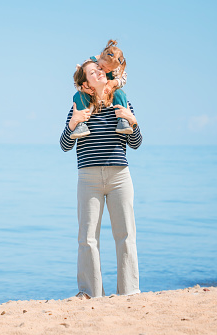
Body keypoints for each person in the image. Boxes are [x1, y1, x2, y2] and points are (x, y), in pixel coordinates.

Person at [60, 60, 142, 299]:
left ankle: (129, 292)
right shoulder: (79, 106)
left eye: (100, 70)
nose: (99, 72)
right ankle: (89, 292)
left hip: (119, 176)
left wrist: (133, 122)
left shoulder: (122, 102)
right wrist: (73, 124)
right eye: (92, 72)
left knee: (126, 234)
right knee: (87, 238)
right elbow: (65, 145)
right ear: (85, 83)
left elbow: (136, 143)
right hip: (89, 177)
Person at [71, 40, 132, 139]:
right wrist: (84, 88)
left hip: (111, 94)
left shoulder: (115, 66)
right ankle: (81, 125)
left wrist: (113, 83)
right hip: (88, 96)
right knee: (79, 95)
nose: (104, 71)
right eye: (101, 67)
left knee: (119, 93)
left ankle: (122, 121)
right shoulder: (90, 63)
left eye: (109, 70)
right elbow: (77, 78)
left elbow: (123, 79)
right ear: (101, 55)